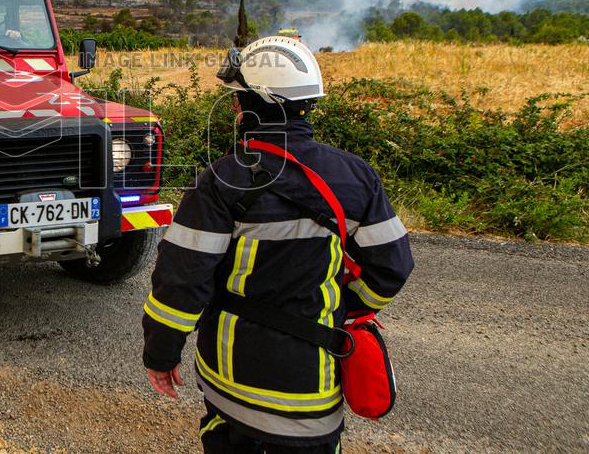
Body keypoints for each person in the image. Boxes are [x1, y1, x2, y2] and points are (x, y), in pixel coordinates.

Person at [142, 34, 414, 453]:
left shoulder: (221, 180)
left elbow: (180, 284)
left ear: (248, 108)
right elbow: (391, 267)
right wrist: (341, 308)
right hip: (311, 391)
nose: (233, 107)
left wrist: (161, 355)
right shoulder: (356, 176)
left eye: (237, 99)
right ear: (308, 104)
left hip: (231, 382)